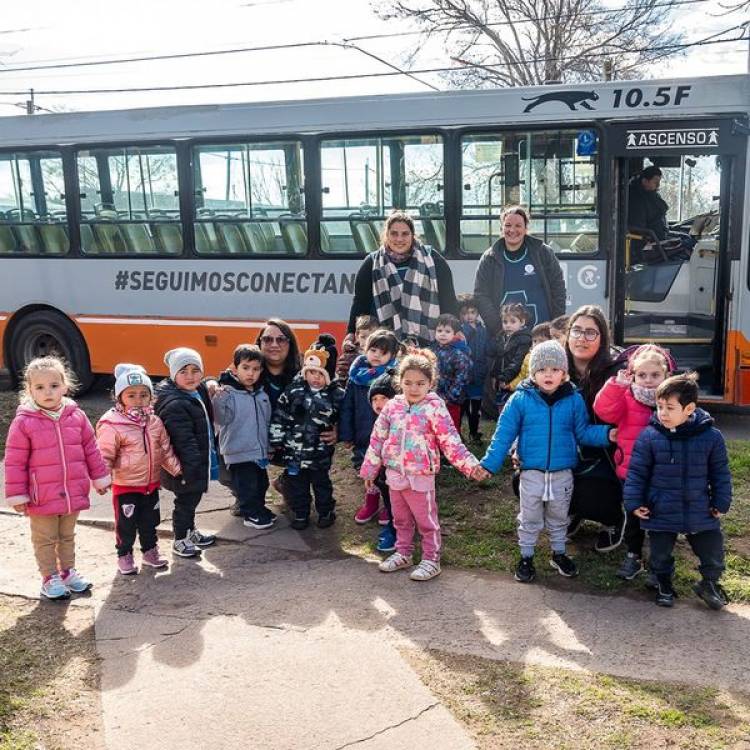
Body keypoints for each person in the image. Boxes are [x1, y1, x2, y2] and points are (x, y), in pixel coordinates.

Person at [477, 341, 615, 582]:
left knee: (559, 517)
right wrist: (489, 463)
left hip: (562, 473)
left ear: (564, 373)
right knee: (529, 517)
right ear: (533, 373)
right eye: (541, 370)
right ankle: (526, 556)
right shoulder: (520, 399)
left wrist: (607, 434)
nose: (548, 374)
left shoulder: (573, 399)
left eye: (554, 369)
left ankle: (558, 553)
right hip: (532, 472)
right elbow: (503, 434)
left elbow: (582, 432)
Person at [360, 350, 481, 582]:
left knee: (426, 521)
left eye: (420, 383)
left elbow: (450, 441)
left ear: (430, 383)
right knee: (400, 519)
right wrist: (370, 470)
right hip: (395, 474)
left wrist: (470, 466)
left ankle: (431, 559)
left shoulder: (434, 407)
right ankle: (403, 552)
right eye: (407, 383)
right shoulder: (392, 407)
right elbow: (377, 439)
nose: (413, 388)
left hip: (421, 475)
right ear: (400, 382)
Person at [4, 356, 111, 599]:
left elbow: (91, 449)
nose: (48, 392)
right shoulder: (24, 422)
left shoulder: (76, 416)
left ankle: (68, 572)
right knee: (44, 537)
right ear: (29, 390)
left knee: (67, 535)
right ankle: (49, 576)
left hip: (72, 490)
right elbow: (14, 461)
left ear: (65, 385)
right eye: (39, 387)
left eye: (54, 385)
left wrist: (100, 477)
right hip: (40, 495)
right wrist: (17, 494)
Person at [624, 373, 731, 610]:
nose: (662, 413)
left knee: (712, 550)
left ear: (689, 408)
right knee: (659, 554)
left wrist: (721, 502)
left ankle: (709, 583)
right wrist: (634, 502)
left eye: (670, 408)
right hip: (661, 508)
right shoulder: (650, 436)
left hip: (700, 508)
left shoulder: (711, 437)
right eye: (659, 406)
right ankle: (663, 584)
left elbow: (720, 473)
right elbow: (637, 473)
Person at [593, 344, 675, 581]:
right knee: (633, 516)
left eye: (655, 375)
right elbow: (603, 410)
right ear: (633, 375)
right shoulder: (626, 396)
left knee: (660, 518)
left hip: (662, 472)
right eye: (642, 375)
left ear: (666, 376)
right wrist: (616, 385)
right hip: (630, 471)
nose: (648, 380)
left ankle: (660, 563)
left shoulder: (671, 400)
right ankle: (633, 555)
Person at [96, 364, 181, 575]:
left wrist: (177, 470)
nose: (138, 399)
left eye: (144, 394)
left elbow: (165, 448)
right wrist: (102, 478)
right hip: (126, 485)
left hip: (150, 483)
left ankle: (150, 551)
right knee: (126, 524)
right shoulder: (112, 423)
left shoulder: (154, 422)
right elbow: (104, 454)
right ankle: (124, 554)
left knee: (150, 521)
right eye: (131, 395)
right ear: (120, 397)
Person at [565, 305, 628, 553]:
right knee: (525, 478)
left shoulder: (616, 374)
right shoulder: (552, 367)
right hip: (564, 452)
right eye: (577, 330)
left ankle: (612, 519)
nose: (582, 338)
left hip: (605, 455)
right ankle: (573, 511)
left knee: (592, 490)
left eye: (591, 332)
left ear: (602, 339)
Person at [346, 211, 458, 346]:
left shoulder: (432, 259)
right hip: (384, 345)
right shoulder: (372, 263)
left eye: (405, 234)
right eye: (394, 233)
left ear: (413, 235)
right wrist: (351, 333)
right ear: (386, 235)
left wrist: (456, 329)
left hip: (427, 343)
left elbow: (448, 298)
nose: (399, 239)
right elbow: (360, 302)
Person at [269, 348, 345, 530]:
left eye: (320, 374)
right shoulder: (293, 391)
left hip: (319, 452)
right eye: (311, 372)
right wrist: (276, 440)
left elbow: (345, 418)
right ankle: (301, 513)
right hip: (294, 452)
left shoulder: (336, 395)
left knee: (321, 485)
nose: (315, 378)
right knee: (297, 486)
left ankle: (326, 512)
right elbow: (280, 415)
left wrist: (339, 432)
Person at [154, 347, 218, 559]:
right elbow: (184, 441)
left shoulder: (194, 391)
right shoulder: (176, 404)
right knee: (185, 503)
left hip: (194, 462)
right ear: (174, 375)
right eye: (184, 371)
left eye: (195, 370)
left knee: (192, 500)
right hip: (184, 467)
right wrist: (190, 469)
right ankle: (180, 538)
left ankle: (190, 532)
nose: (191, 376)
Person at [473, 205, 566, 337]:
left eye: (518, 226)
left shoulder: (542, 252)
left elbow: (558, 288)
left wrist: (557, 324)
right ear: (501, 228)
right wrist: (497, 329)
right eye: (508, 225)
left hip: (541, 333)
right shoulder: (489, 258)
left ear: (526, 228)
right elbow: (481, 294)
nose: (512, 230)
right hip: (507, 335)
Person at [339, 329, 400, 525]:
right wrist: (347, 434)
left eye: (383, 353)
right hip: (363, 433)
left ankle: (388, 506)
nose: (377, 356)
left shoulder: (394, 378)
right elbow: (347, 406)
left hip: (390, 439)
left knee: (387, 473)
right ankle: (371, 502)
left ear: (392, 355)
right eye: (373, 350)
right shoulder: (356, 377)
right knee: (368, 473)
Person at [212, 345, 275, 530]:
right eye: (246, 368)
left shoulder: (261, 394)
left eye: (256, 369)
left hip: (259, 450)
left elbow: (266, 422)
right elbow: (220, 418)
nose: (251, 374)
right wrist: (219, 396)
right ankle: (250, 513)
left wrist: (269, 446)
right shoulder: (228, 393)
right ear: (235, 368)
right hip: (238, 450)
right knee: (246, 486)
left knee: (261, 484)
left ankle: (259, 509)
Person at [628, 165, 695, 257]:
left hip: (661, 233)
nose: (658, 185)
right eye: (655, 182)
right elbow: (639, 226)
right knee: (688, 242)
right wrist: (650, 238)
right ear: (644, 181)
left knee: (688, 237)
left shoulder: (651, 195)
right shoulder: (636, 199)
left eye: (659, 182)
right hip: (653, 240)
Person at [367, 368, 399, 553]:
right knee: (389, 500)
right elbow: (373, 448)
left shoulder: (406, 420)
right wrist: (370, 472)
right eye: (374, 399)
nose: (378, 404)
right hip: (384, 474)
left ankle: (406, 526)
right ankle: (393, 528)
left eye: (383, 398)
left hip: (405, 472)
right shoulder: (375, 422)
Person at [431, 313, 472, 434]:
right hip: (433, 397)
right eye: (439, 330)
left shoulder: (458, 354)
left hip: (452, 400)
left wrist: (450, 397)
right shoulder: (431, 351)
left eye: (447, 331)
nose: (443, 334)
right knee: (434, 425)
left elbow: (462, 378)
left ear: (455, 334)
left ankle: (453, 450)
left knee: (451, 427)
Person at [490, 303, 532, 412]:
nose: (508, 325)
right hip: (502, 379)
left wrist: (504, 378)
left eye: (513, 321)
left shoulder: (524, 339)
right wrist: (495, 375)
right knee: (501, 407)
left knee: (513, 409)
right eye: (505, 322)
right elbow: (498, 358)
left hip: (514, 380)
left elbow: (517, 362)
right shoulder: (502, 337)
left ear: (522, 322)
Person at [458, 294, 488, 443]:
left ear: (477, 313)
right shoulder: (461, 330)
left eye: (472, 312)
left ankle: (474, 432)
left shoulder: (483, 329)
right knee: (462, 406)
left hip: (478, 373)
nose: (469, 316)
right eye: (465, 313)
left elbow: (486, 349)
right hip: (465, 374)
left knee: (475, 408)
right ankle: (458, 434)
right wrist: (468, 329)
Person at [255, 319, 302, 412]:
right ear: (259, 343)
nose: (274, 345)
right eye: (267, 339)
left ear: (290, 344)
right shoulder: (246, 376)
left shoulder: (304, 379)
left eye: (281, 339)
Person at [336, 315, 378, 386]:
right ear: (357, 336)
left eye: (371, 337)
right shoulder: (347, 358)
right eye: (363, 337)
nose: (367, 341)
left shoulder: (381, 357)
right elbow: (341, 382)